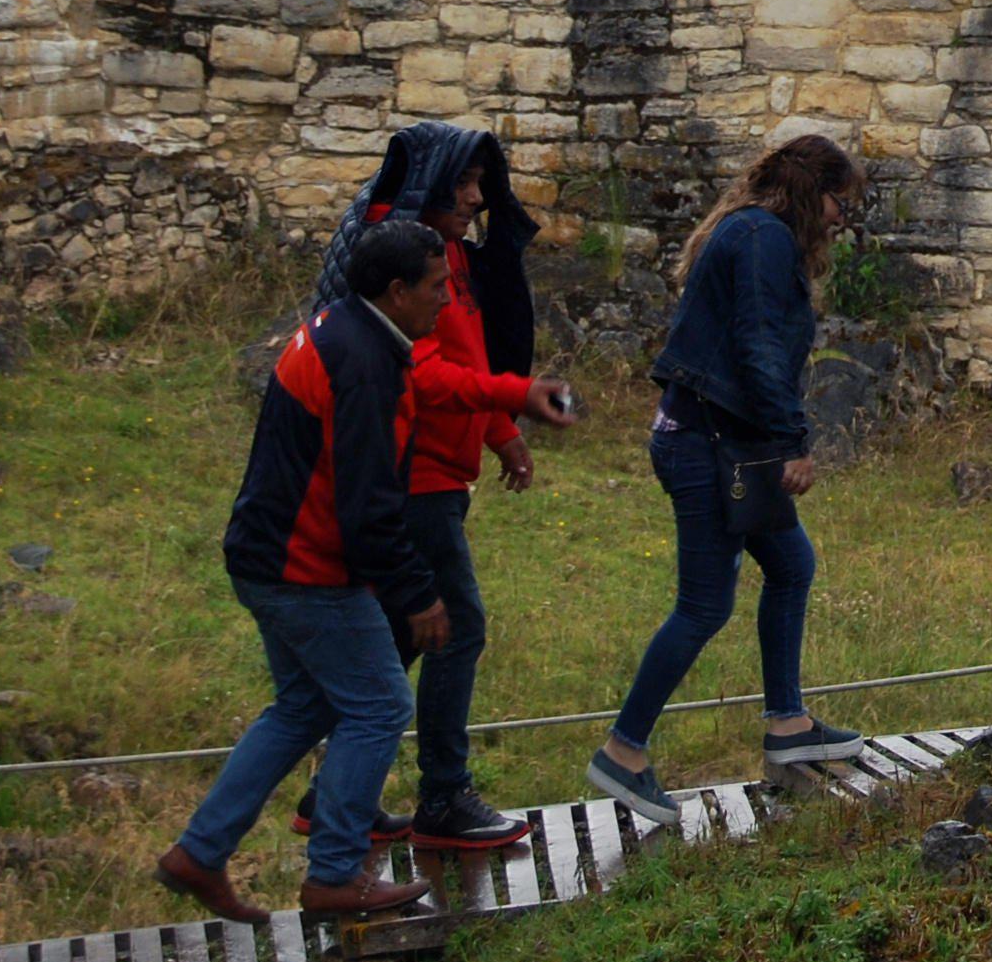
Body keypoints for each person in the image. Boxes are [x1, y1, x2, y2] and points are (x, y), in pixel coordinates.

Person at [158, 220, 451, 924]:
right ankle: (335, 874)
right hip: (304, 568)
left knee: (303, 707)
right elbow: (367, 503)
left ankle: (199, 854)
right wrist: (417, 595)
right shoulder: (365, 361)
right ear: (397, 290)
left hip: (264, 556)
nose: (446, 300)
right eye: (437, 286)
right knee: (380, 704)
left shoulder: (342, 327)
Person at [306, 123, 578, 851]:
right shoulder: (402, 268)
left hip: (442, 470)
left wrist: (500, 429)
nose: (477, 196)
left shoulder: (450, 254)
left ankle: (336, 788)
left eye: (482, 181)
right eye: (464, 182)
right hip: (414, 473)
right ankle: (444, 797)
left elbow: (462, 355)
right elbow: (419, 376)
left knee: (404, 632)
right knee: (455, 624)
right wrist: (515, 395)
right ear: (434, 183)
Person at [587, 133, 871, 827]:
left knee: (791, 563)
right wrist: (790, 442)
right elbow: (756, 344)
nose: (843, 220)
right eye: (841, 204)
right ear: (814, 193)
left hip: (721, 438)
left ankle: (787, 727)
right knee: (704, 606)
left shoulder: (753, 233)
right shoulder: (762, 239)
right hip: (708, 445)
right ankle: (622, 752)